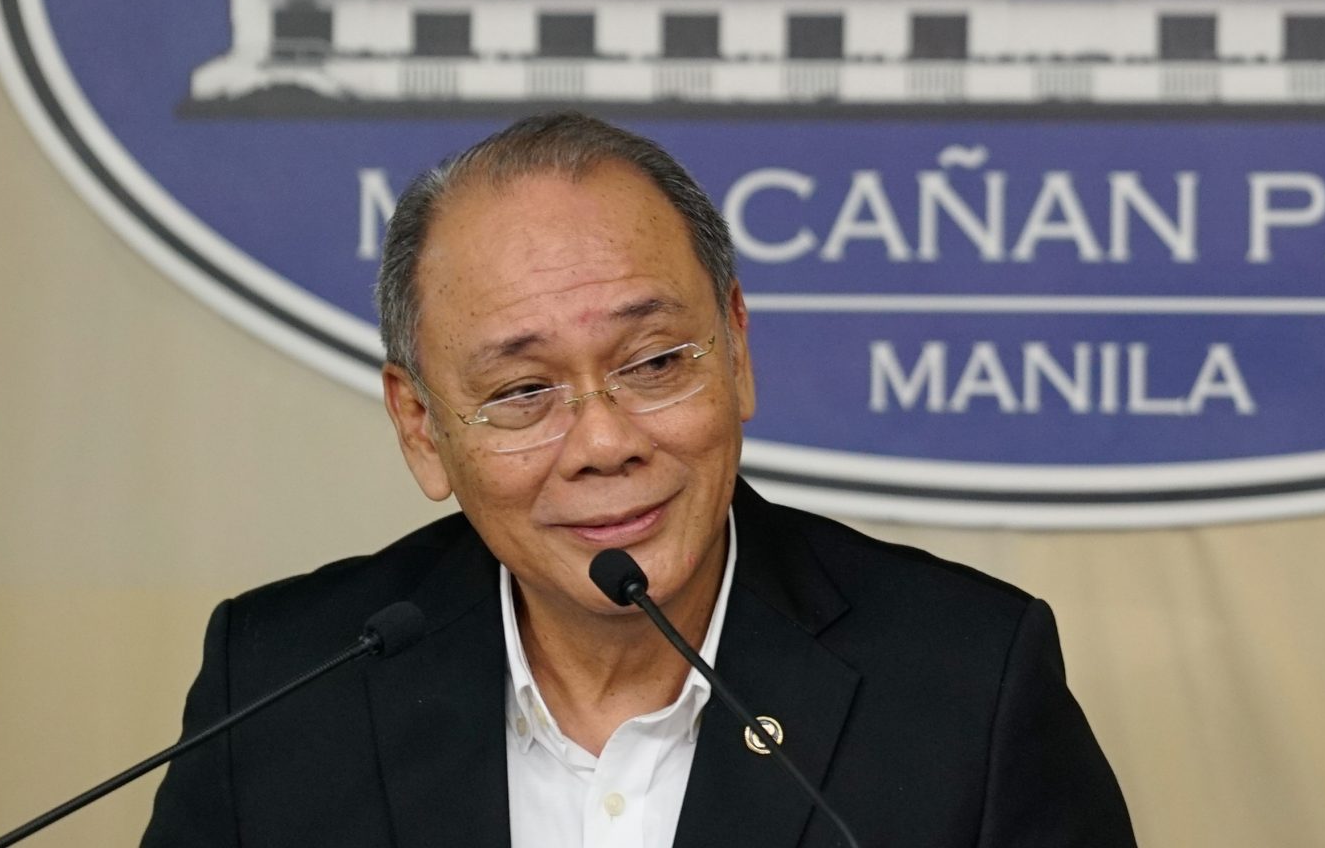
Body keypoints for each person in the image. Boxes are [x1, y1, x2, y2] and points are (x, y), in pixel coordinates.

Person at [142, 112, 1136, 847]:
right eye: (522, 391)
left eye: (655, 363)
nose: (603, 441)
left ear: (736, 349)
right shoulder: (275, 692)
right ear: (421, 427)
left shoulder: (966, 684)